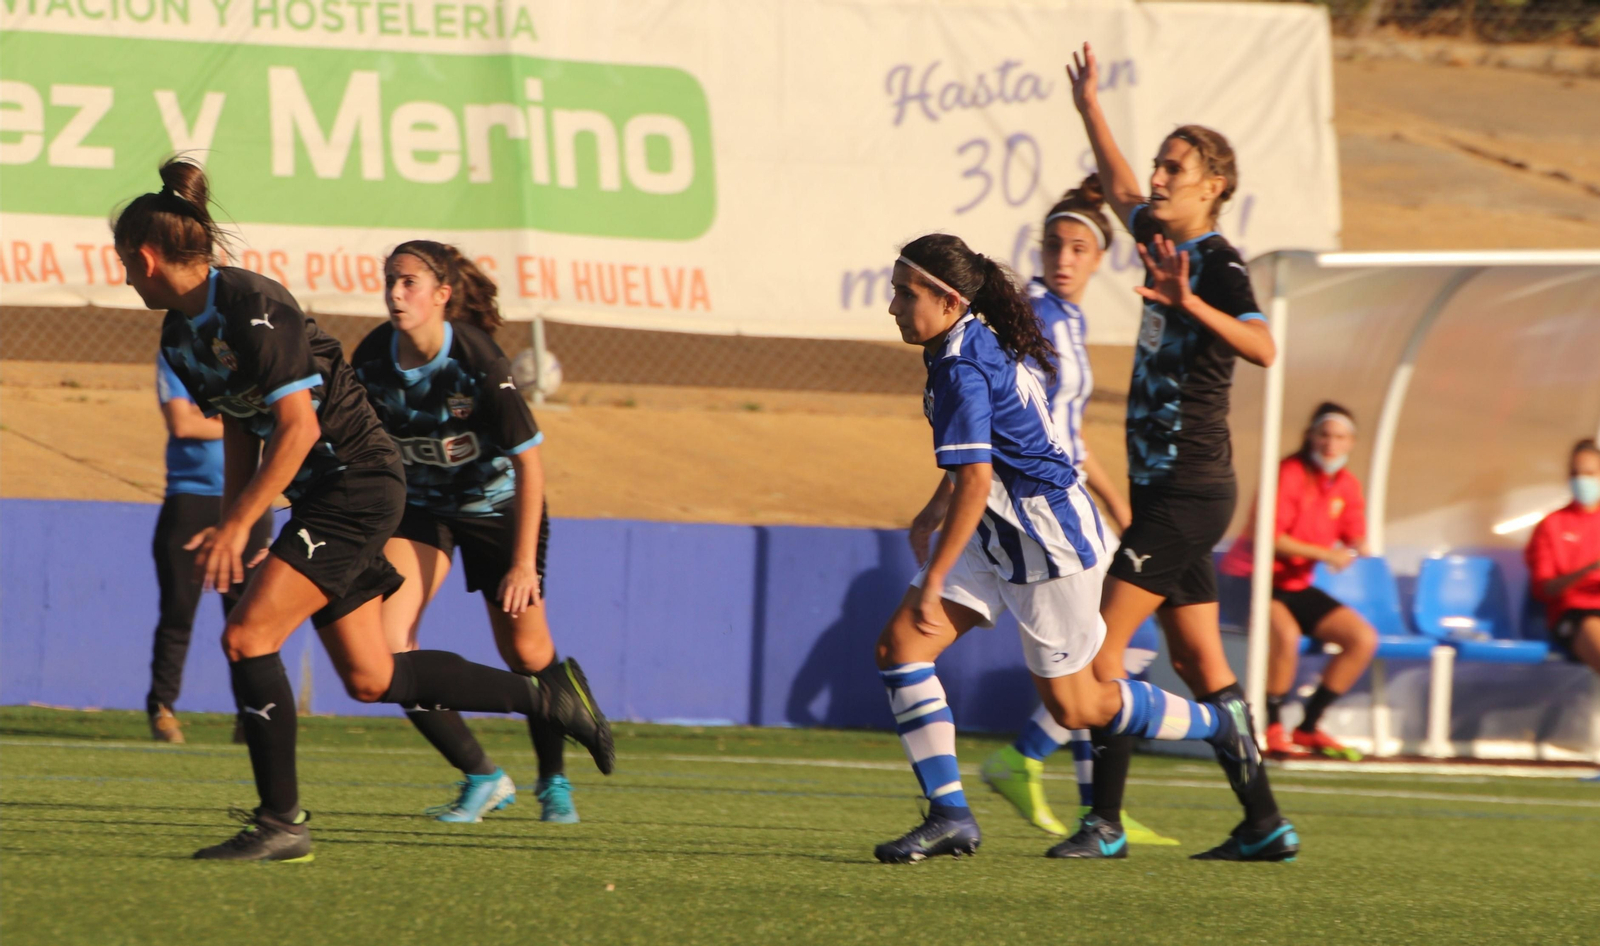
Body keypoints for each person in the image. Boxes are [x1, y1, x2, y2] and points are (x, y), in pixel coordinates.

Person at [113, 158, 613, 863]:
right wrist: (243, 520)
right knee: (373, 676)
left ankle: (281, 822)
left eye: (123, 264)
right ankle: (553, 702)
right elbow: (237, 425)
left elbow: (299, 430)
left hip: (357, 485)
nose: (125, 277)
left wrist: (236, 523)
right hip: (327, 495)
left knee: (247, 639)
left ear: (145, 256)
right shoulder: (181, 335)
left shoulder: (256, 305)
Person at [871, 233, 1261, 864]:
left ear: (947, 300)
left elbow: (977, 478)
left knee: (1079, 707)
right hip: (998, 531)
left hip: (1044, 542)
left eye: (903, 292)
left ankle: (1223, 725)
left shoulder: (963, 363)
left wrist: (937, 573)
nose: (892, 305)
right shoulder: (960, 343)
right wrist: (933, 513)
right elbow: (984, 461)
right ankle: (950, 815)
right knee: (901, 648)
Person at [1050, 42, 1297, 861]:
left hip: (1189, 490)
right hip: (1165, 492)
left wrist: (1191, 301)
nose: (1157, 178)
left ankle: (1105, 821)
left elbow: (1263, 349)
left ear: (1213, 185)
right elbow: (1119, 189)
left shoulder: (1218, 264)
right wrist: (1090, 108)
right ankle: (1264, 821)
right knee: (1201, 664)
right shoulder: (1157, 231)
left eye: (1175, 167)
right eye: (1160, 163)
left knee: (1099, 655)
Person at [965, 176, 1175, 846]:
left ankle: (1097, 810)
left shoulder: (1070, 322)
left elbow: (1073, 438)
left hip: (1070, 500)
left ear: (1099, 257)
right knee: (1116, 651)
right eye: (1054, 244)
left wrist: (1120, 506)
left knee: (1108, 652)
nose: (1062, 257)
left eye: (1077, 247)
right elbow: (1018, 421)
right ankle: (1036, 766)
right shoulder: (1035, 318)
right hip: (1039, 506)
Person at [350, 240, 579, 824]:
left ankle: (553, 780)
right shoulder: (374, 356)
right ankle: (482, 776)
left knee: (525, 651)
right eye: (391, 281)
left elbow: (530, 463)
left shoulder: (476, 360)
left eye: (409, 284)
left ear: (442, 296)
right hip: (423, 509)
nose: (396, 294)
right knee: (386, 647)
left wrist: (523, 564)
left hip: (497, 507)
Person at [1220, 403, 1376, 761]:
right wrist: (1328, 554)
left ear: (1351, 442)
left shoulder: (1346, 484)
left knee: (1361, 639)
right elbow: (1271, 537)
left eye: (1339, 437)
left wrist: (1358, 544)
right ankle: (1273, 727)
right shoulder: (1289, 474)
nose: (1330, 444)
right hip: (1250, 579)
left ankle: (1308, 726)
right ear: (1310, 437)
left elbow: (1354, 530)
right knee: (1285, 637)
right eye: (1324, 435)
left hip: (1292, 584)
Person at [146, 353, 273, 743]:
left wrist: (226, 422)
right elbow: (182, 423)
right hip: (191, 498)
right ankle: (162, 707)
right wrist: (239, 423)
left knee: (246, 615)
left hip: (248, 504)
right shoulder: (178, 357)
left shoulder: (258, 357)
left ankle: (249, 715)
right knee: (179, 611)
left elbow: (283, 422)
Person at [1526, 439, 1600, 674]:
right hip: (1575, 615)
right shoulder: (1552, 525)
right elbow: (1543, 589)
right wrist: (1587, 570)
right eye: (1577, 474)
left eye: (1590, 473)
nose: (1583, 480)